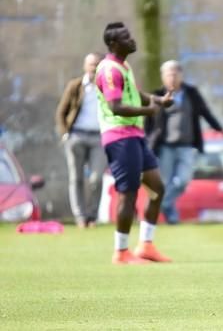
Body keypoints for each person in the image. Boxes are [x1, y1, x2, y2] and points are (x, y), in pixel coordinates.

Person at [96, 22, 174, 265]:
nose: (132, 39)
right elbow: (115, 106)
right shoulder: (109, 69)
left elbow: (135, 94)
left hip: (134, 136)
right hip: (119, 137)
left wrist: (158, 101)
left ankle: (146, 246)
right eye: (125, 37)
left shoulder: (123, 66)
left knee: (157, 189)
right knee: (127, 193)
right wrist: (148, 111)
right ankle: (121, 252)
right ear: (113, 44)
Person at [145, 60, 223, 224]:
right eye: (168, 74)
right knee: (163, 183)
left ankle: (161, 204)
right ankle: (172, 217)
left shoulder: (191, 93)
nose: (172, 77)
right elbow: (149, 122)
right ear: (162, 76)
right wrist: (147, 142)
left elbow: (205, 112)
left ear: (181, 75)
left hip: (187, 146)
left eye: (175, 74)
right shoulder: (157, 94)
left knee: (183, 181)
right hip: (165, 147)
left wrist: (220, 129)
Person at [55, 53, 106, 228]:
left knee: (96, 178)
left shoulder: (109, 87)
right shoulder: (75, 86)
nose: (94, 68)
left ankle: (92, 216)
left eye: (98, 64)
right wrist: (64, 134)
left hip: (99, 137)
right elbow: (61, 112)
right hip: (76, 136)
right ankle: (80, 216)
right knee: (76, 178)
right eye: (92, 64)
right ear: (85, 66)